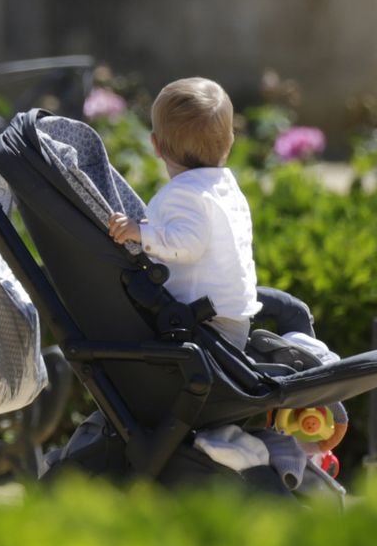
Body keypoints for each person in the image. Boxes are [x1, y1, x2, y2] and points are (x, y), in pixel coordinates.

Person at [107, 77, 261, 348]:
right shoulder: (224, 188)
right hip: (233, 316)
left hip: (202, 322)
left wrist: (140, 233)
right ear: (230, 142)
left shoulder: (184, 194)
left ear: (155, 145)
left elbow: (187, 244)